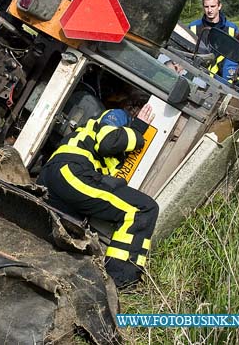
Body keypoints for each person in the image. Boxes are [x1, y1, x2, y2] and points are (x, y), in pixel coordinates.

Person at [37, 106, 159, 289]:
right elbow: (108, 142)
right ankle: (119, 283)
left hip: (59, 178)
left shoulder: (107, 153)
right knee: (141, 209)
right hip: (70, 172)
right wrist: (138, 131)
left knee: (63, 244)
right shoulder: (117, 116)